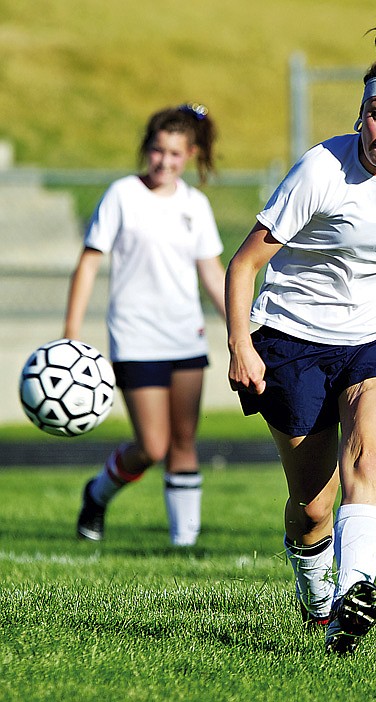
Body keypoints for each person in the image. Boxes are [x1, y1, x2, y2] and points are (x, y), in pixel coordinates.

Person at [226, 17, 376, 654]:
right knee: (313, 506)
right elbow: (244, 264)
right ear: (361, 114)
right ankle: (318, 592)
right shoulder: (320, 170)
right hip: (293, 337)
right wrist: (241, 345)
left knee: (368, 462)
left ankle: (354, 592)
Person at [65, 103, 225, 547]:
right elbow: (89, 262)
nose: (165, 162)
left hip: (186, 335)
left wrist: (240, 333)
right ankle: (97, 493)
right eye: (158, 151)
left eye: (175, 154)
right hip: (136, 338)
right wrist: (71, 333)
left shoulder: (196, 204)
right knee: (152, 447)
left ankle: (184, 545)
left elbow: (212, 274)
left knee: (184, 442)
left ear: (189, 155)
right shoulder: (122, 195)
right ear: (146, 149)